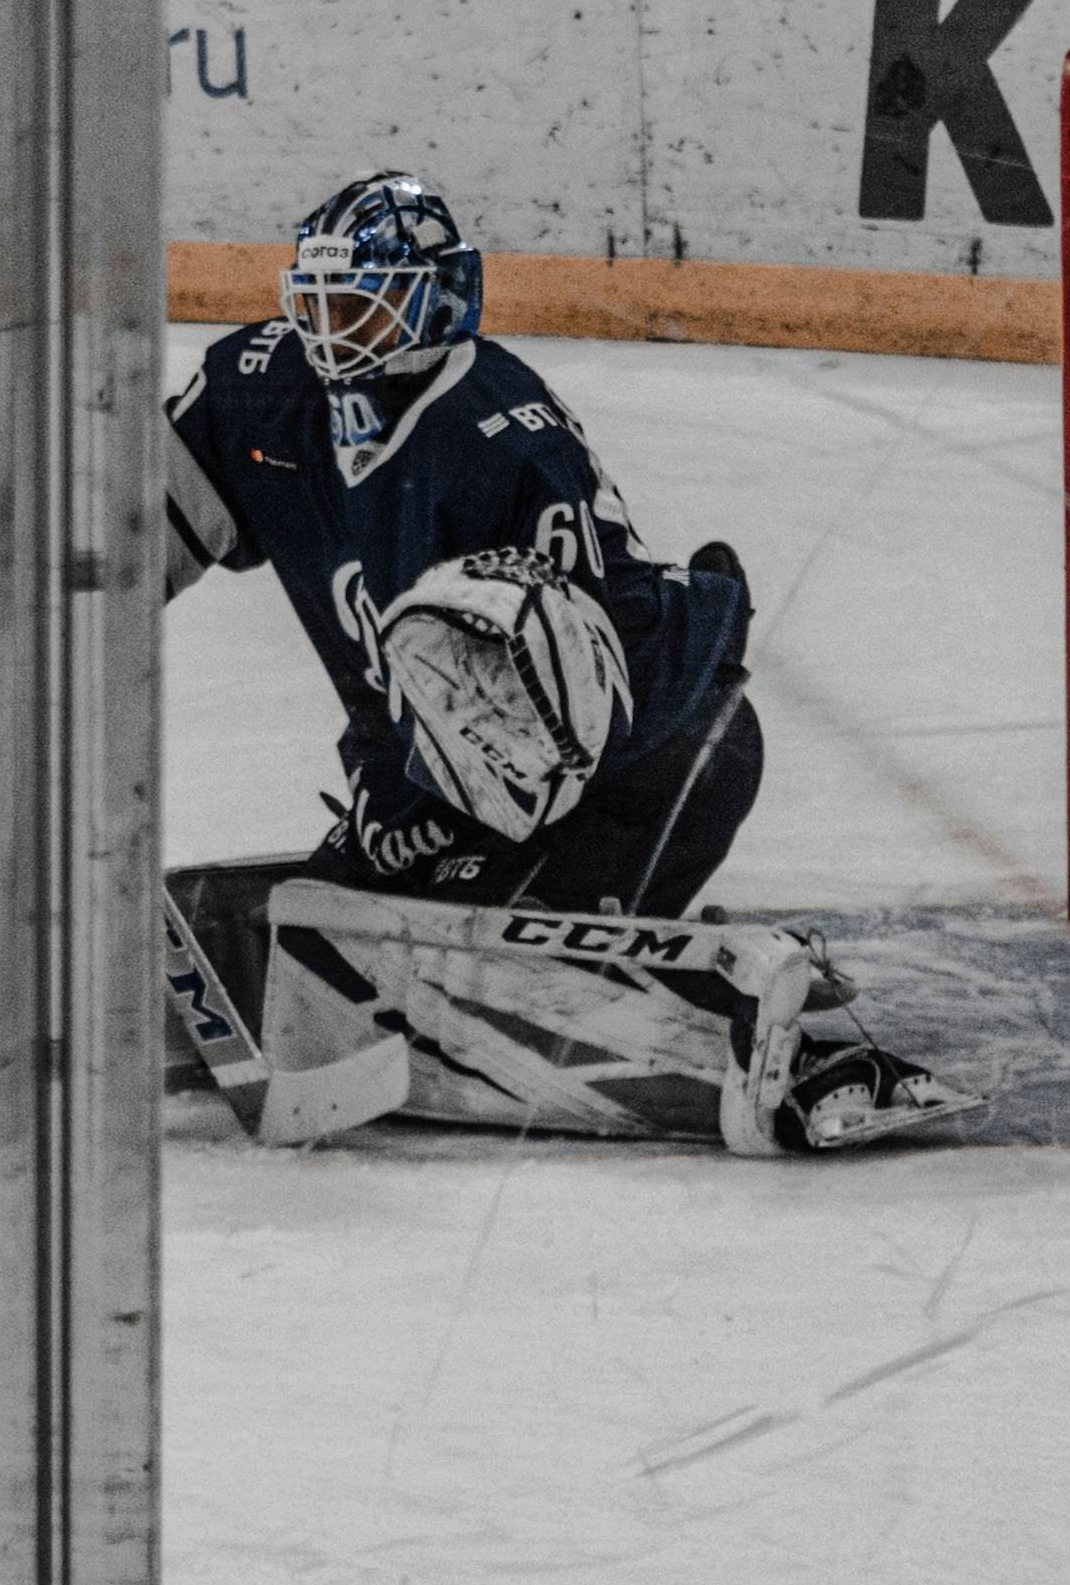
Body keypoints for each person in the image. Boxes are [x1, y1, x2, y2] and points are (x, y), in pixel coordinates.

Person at [163, 170, 961, 1145]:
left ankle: (784, 1052)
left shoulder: (490, 441)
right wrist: (26, 593)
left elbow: (540, 715)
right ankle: (657, 952)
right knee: (361, 919)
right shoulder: (265, 384)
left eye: (361, 308)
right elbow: (137, 508)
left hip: (649, 756)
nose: (333, 333)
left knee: (456, 968)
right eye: (318, 304)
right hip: (481, 756)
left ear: (435, 301)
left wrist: (411, 812)